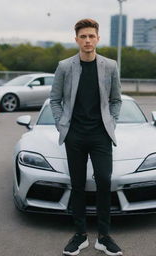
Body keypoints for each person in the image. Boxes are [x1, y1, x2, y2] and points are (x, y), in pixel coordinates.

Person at [50, 18, 123, 256]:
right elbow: (55, 99)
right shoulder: (64, 66)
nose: (88, 40)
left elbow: (116, 100)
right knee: (78, 185)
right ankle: (80, 235)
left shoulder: (110, 66)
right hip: (75, 135)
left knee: (103, 181)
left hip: (101, 135)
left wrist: (110, 123)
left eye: (92, 36)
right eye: (83, 36)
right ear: (77, 40)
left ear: (98, 39)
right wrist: (64, 128)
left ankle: (104, 237)